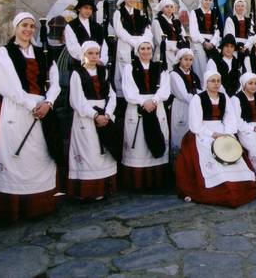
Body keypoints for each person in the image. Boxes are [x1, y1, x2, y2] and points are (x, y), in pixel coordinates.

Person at [0, 12, 61, 221]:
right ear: (15, 28)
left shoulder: (43, 52)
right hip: (17, 110)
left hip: (42, 109)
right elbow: (9, 86)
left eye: (32, 26)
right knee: (17, 156)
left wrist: (48, 103)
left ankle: (40, 204)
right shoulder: (4, 53)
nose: (28, 30)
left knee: (39, 155)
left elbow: (55, 82)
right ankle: (14, 206)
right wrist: (31, 104)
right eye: (24, 25)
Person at [175, 70, 256, 207]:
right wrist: (213, 134)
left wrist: (228, 132)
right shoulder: (198, 98)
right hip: (203, 132)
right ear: (206, 83)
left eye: (218, 81)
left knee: (230, 149)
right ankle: (220, 186)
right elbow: (195, 124)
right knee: (210, 149)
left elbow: (230, 119)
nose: (216, 83)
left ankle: (237, 183)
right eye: (212, 81)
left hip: (223, 130)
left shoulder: (224, 97)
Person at [67, 41, 118, 201]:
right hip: (86, 117)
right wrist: (94, 115)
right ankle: (87, 191)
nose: (94, 56)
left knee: (103, 153)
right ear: (83, 55)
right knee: (89, 152)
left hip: (105, 114)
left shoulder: (104, 71)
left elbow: (112, 95)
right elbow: (76, 99)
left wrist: (107, 115)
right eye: (90, 53)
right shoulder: (77, 73)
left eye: (97, 53)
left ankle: (104, 188)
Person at [121, 38, 171, 191]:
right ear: (137, 51)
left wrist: (153, 100)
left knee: (157, 138)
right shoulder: (129, 68)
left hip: (156, 107)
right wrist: (144, 102)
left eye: (149, 48)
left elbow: (165, 90)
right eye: (142, 48)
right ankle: (139, 183)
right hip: (137, 110)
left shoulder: (160, 67)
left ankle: (157, 182)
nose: (146, 51)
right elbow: (128, 91)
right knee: (140, 145)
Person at [113, 0, 151, 97]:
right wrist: (134, 42)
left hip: (140, 46)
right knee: (124, 70)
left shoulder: (140, 13)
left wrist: (143, 41)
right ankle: (123, 97)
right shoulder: (118, 13)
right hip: (125, 45)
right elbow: (119, 31)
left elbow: (148, 29)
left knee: (138, 70)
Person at [170, 48, 201, 156]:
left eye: (191, 60)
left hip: (192, 107)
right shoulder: (174, 74)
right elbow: (182, 95)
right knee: (180, 133)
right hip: (180, 106)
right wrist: (199, 100)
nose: (188, 62)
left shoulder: (193, 75)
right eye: (185, 59)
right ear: (180, 59)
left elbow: (199, 90)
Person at [64, 0, 109, 69]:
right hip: (79, 65)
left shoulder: (98, 26)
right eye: (85, 8)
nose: (88, 11)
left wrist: (101, 60)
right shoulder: (71, 26)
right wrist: (86, 59)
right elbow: (73, 47)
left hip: (97, 65)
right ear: (79, 9)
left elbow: (103, 45)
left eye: (90, 8)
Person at [189, 0, 221, 82]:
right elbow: (194, 31)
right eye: (206, 0)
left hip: (212, 43)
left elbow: (217, 30)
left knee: (213, 65)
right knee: (201, 66)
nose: (208, 2)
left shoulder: (215, 13)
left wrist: (213, 43)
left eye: (210, 0)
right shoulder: (195, 12)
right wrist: (203, 42)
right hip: (199, 42)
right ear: (201, 1)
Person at [152, 0, 187, 69]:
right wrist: (175, 49)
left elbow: (183, 35)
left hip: (178, 51)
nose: (169, 9)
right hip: (164, 51)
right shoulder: (157, 21)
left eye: (171, 7)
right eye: (166, 7)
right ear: (162, 8)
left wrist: (182, 48)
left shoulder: (177, 22)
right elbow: (160, 39)